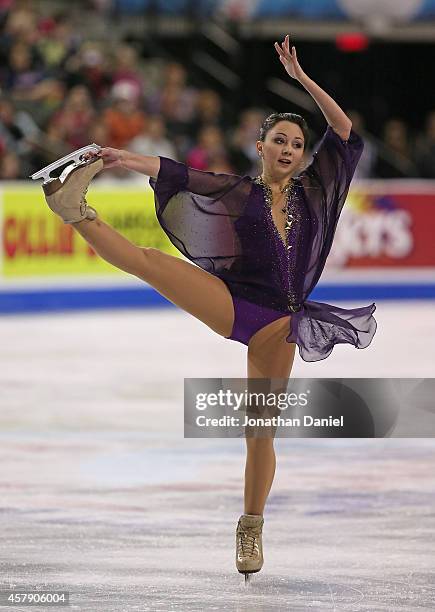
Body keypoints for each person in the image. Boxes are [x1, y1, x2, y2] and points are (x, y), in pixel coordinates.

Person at [37, 35, 377, 581]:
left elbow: (343, 132)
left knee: (258, 432)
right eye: (279, 140)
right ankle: (75, 209)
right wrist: (123, 158)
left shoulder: (317, 190)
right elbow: (181, 176)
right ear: (260, 146)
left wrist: (301, 80)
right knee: (150, 261)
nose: (290, 149)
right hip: (237, 304)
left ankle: (250, 526)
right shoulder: (239, 193)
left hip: (283, 322)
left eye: (296, 142)